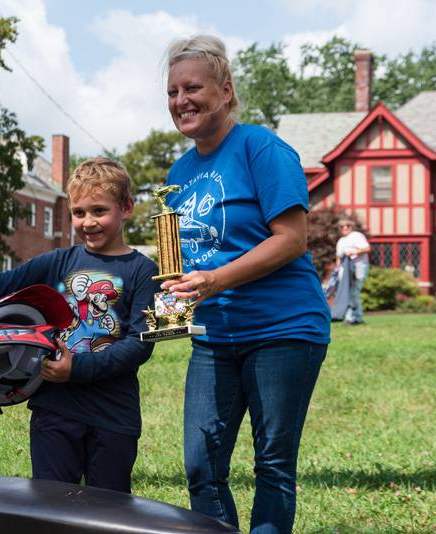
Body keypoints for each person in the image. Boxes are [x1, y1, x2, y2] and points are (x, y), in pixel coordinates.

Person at [160, 35, 330, 534]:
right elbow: (183, 255)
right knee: (200, 465)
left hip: (284, 328)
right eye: (172, 92)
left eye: (193, 87)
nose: (181, 101)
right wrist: (174, 286)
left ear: (226, 90)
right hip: (214, 335)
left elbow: (292, 239)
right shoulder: (179, 171)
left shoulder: (262, 148)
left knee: (273, 465)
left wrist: (215, 279)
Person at [0, 157, 159, 494]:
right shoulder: (58, 262)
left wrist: (78, 368)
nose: (88, 222)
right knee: (50, 509)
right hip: (54, 412)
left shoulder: (144, 271)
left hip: (115, 417)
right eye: (79, 212)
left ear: (127, 207)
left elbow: (139, 345)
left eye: (99, 211)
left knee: (110, 513)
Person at [335, 219, 371, 325]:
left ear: (352, 227)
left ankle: (353, 317)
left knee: (354, 292)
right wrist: (338, 270)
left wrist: (354, 252)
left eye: (347, 226)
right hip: (345, 271)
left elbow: (367, 248)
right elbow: (338, 257)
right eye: (342, 226)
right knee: (347, 292)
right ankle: (355, 317)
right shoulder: (341, 241)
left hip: (358, 267)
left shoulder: (356, 236)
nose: (345, 228)